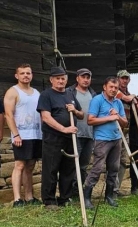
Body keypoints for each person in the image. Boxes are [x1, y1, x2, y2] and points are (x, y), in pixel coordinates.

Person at [37, 66, 84, 210]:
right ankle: (49, 201)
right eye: (57, 78)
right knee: (51, 168)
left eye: (63, 78)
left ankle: (65, 198)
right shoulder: (46, 95)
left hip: (70, 138)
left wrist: (74, 110)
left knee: (68, 169)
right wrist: (64, 129)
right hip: (53, 138)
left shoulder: (70, 94)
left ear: (66, 79)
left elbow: (82, 115)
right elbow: (45, 117)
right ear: (51, 80)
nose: (60, 81)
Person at [83, 77, 127, 209]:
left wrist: (117, 116)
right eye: (111, 87)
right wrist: (110, 117)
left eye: (116, 88)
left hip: (116, 139)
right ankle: (87, 198)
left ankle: (109, 196)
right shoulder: (97, 100)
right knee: (97, 168)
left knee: (114, 168)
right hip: (102, 140)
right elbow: (90, 120)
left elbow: (125, 123)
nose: (113, 90)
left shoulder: (118, 102)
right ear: (105, 87)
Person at [4, 63, 42, 207]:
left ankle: (29, 196)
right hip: (21, 134)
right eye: (22, 73)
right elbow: (8, 114)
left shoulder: (36, 92)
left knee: (30, 165)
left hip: (36, 134)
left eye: (28, 73)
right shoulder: (13, 92)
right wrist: (16, 134)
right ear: (17, 76)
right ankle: (17, 199)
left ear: (32, 75)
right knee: (19, 165)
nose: (26, 75)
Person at [66, 68, 97, 197]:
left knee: (84, 165)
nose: (85, 80)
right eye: (83, 77)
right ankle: (68, 193)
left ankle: (78, 191)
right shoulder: (69, 92)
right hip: (75, 133)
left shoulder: (93, 94)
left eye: (88, 77)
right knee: (73, 164)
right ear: (77, 78)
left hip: (90, 134)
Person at [113, 70, 135, 197]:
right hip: (115, 129)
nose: (124, 81)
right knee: (114, 159)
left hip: (126, 130)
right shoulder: (116, 91)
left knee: (122, 160)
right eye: (122, 78)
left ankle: (117, 188)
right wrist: (132, 98)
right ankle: (111, 189)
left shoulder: (128, 93)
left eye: (127, 78)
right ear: (118, 79)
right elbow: (126, 98)